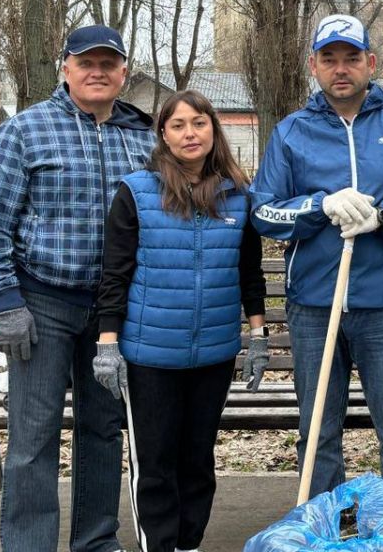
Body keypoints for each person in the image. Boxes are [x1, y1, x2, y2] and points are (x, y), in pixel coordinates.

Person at [0, 25, 154, 552]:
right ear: (64, 68)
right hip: (41, 303)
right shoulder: (25, 131)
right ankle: (28, 544)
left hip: (114, 313)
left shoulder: (143, 137)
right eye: (85, 62)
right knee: (33, 436)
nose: (97, 72)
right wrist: (5, 302)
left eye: (108, 64)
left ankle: (95, 541)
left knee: (102, 430)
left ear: (122, 72)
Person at [251, 14, 383, 498]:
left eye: (351, 58)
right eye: (329, 59)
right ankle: (321, 523)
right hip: (314, 306)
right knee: (318, 432)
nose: (341, 69)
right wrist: (318, 205)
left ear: (371, 63)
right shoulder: (291, 132)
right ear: (313, 67)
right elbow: (262, 212)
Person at [90, 90, 267, 552]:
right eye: (178, 125)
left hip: (214, 354)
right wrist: (107, 345)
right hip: (149, 356)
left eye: (199, 123)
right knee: (156, 463)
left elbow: (249, 273)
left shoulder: (238, 195)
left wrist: (257, 336)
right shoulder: (136, 192)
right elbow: (116, 273)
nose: (190, 133)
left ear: (213, 129)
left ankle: (188, 544)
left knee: (197, 461)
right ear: (163, 135)